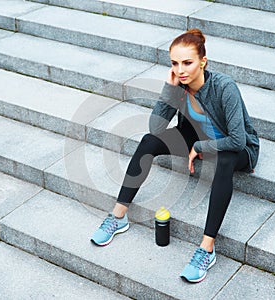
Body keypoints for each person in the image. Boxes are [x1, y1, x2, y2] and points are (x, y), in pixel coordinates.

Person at [91, 28, 259, 283]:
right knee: (148, 142)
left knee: (224, 159)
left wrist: (201, 148)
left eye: (188, 62)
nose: (181, 70)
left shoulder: (224, 87)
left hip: (237, 149)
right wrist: (169, 91)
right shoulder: (178, 86)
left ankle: (206, 249)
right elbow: (156, 129)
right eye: (175, 63)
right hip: (194, 137)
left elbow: (237, 140)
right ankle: (117, 216)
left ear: (203, 62)